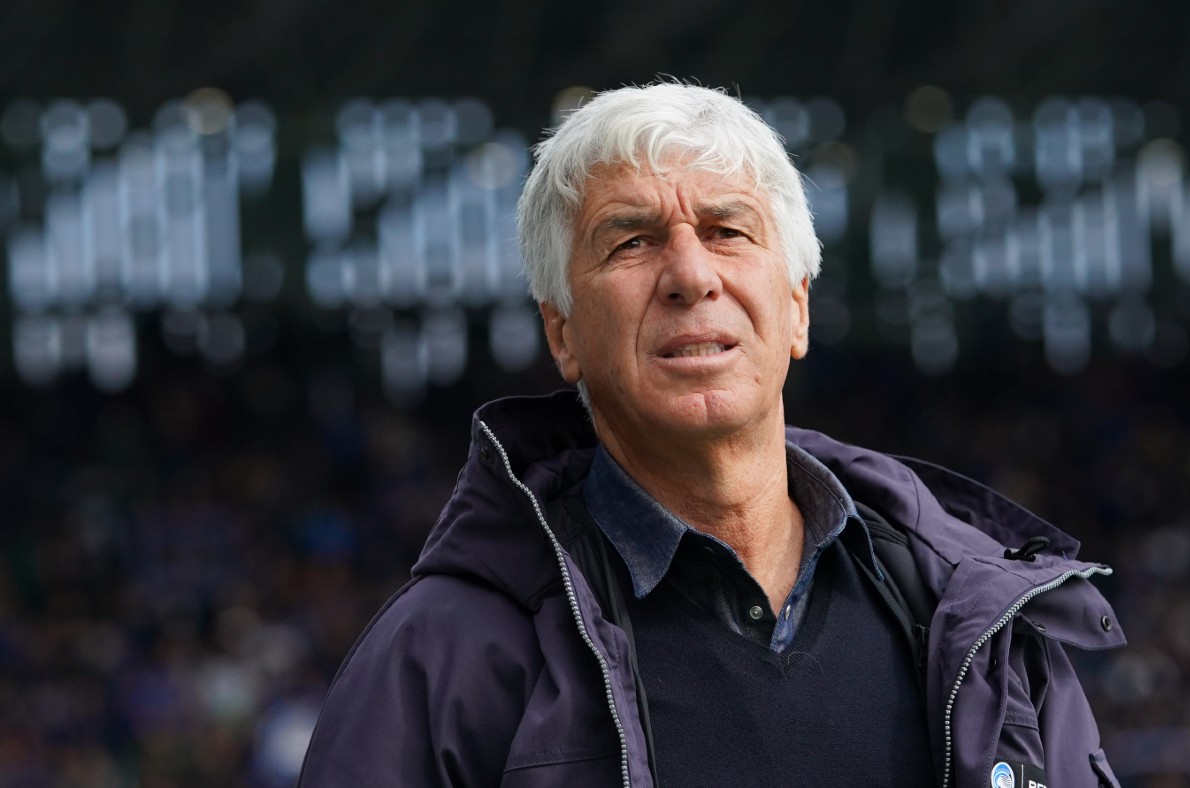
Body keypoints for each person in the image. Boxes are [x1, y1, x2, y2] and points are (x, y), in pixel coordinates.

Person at [298, 82, 1125, 787]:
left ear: (797, 308)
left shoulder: (983, 634)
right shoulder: (442, 657)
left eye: (728, 231)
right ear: (562, 333)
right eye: (632, 241)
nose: (692, 275)